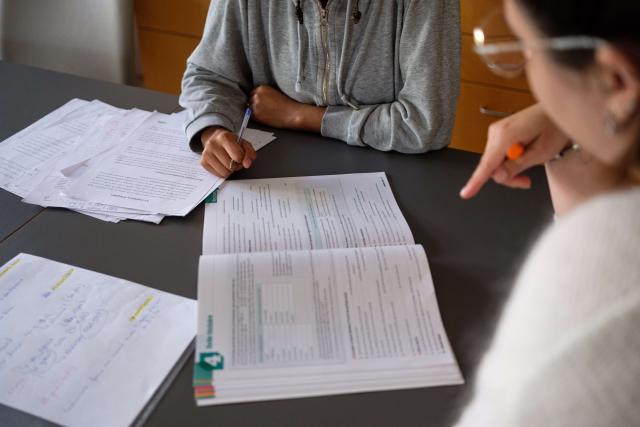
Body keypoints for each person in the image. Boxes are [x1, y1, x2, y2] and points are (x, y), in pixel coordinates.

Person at [456, 0, 640, 425]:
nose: (527, 70)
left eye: (526, 47)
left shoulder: (602, 273)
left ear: (617, 78)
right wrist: (590, 118)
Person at [179, 0, 460, 178]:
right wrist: (213, 130)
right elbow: (209, 74)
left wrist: (300, 115)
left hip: (398, 173)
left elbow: (424, 123)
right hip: (274, 171)